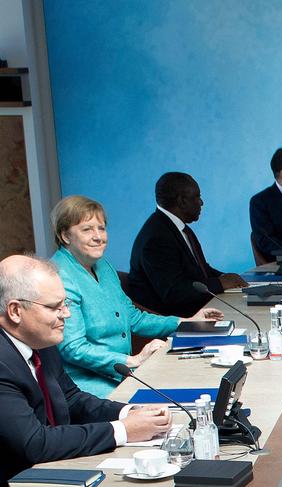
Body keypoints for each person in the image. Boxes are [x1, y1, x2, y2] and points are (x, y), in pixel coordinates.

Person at [0, 255, 173, 485]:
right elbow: (34, 443)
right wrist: (122, 430)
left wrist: (130, 412)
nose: (66, 315)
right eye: (54, 307)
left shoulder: (41, 341)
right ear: (15, 311)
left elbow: (70, 397)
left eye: (66, 304)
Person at [50, 196, 223, 398]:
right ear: (65, 236)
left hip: (123, 372)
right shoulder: (59, 276)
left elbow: (132, 317)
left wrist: (185, 323)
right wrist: (132, 361)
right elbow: (73, 348)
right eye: (87, 229)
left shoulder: (103, 266)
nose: (98, 236)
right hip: (85, 384)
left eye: (102, 228)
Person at [129, 172, 247, 317]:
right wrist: (220, 283)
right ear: (182, 201)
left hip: (197, 309)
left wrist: (226, 277)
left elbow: (199, 270)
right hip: (174, 320)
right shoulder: (156, 238)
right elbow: (174, 293)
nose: (202, 203)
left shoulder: (179, 228)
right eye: (197, 197)